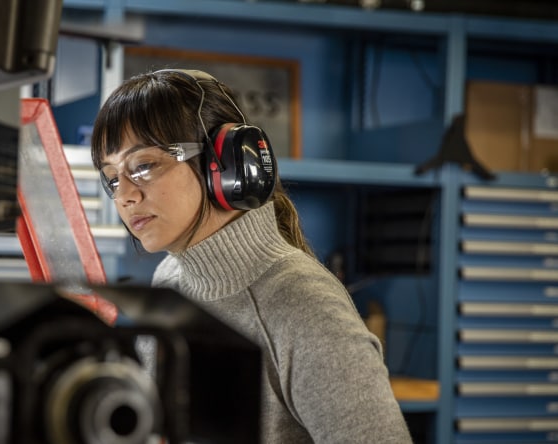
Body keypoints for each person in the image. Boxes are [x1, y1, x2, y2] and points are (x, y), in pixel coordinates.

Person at [90, 68, 412, 444]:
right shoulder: (170, 281)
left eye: (143, 166)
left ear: (223, 164)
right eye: (112, 177)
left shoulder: (304, 306)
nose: (123, 195)